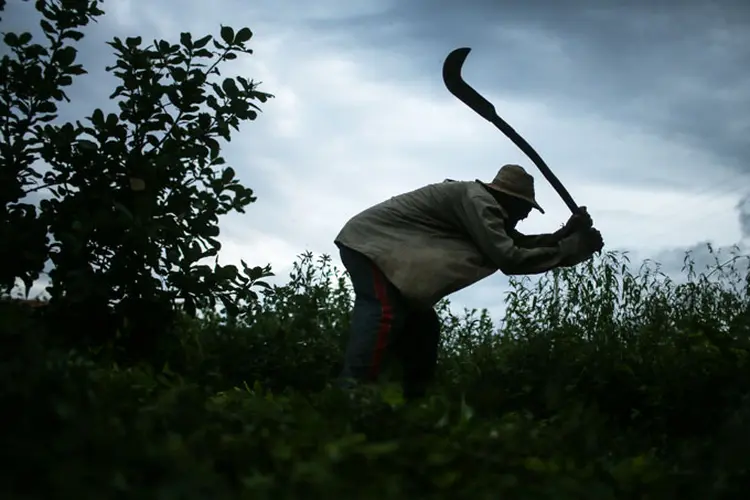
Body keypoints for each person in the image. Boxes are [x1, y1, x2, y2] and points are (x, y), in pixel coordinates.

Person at [333, 163, 604, 400]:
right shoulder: (479, 201)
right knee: (384, 312)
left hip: (379, 251)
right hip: (369, 246)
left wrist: (567, 235)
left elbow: (517, 243)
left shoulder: (482, 208)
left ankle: (413, 406)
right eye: (525, 208)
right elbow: (510, 257)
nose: (525, 216)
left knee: (423, 328)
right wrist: (572, 247)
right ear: (510, 199)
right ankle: (351, 394)